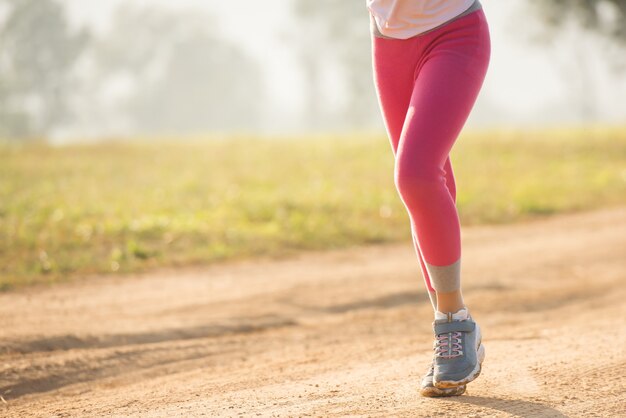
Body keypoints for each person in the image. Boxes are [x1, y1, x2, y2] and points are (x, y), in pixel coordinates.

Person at [367, 0, 491, 397]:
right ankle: (450, 333)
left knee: (416, 175)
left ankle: (454, 321)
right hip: (388, 43)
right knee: (426, 182)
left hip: (454, 32)